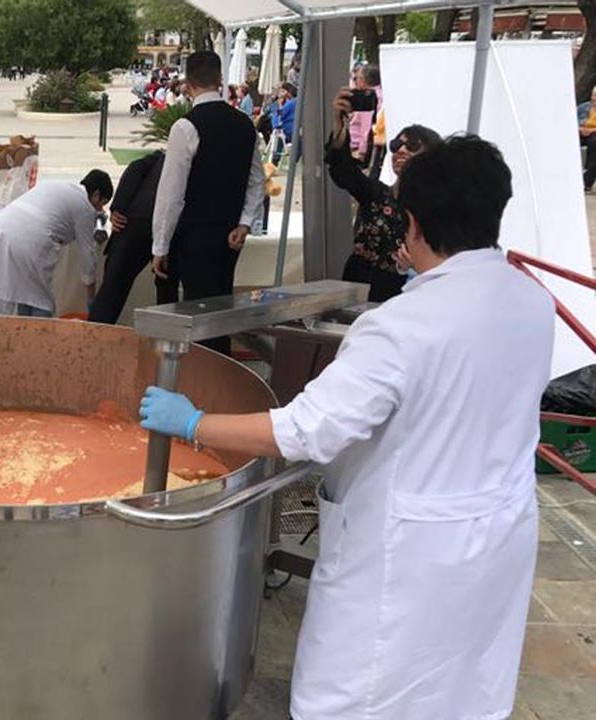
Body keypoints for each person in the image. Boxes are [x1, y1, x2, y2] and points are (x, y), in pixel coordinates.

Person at [140, 134, 552, 720]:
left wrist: (195, 422)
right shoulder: (530, 299)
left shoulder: (401, 326)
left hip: (407, 553)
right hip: (496, 533)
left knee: (357, 696)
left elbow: (305, 432)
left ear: (411, 224)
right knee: (462, 689)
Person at [152, 51, 265, 355]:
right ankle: (222, 373)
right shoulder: (246, 126)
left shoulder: (185, 127)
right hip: (230, 235)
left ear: (187, 84)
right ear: (219, 80)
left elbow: (171, 194)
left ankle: (203, 376)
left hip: (194, 235)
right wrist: (244, 222)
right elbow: (257, 180)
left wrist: (159, 247)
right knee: (220, 309)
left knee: (196, 311)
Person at [327, 87, 442, 302]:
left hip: (400, 293)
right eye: (397, 144)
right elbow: (342, 171)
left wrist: (414, 267)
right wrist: (340, 122)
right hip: (357, 284)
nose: (401, 150)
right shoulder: (377, 194)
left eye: (413, 146)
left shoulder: (436, 209)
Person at [0, 170, 113, 318]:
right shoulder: (85, 206)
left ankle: (25, 336)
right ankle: (40, 338)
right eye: (101, 204)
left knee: (26, 293)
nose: (100, 210)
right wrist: (91, 300)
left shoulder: (60, 187)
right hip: (29, 238)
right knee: (41, 302)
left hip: (2, 227)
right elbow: (88, 258)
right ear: (96, 195)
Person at [88, 151, 178, 324]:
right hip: (162, 225)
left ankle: (94, 335)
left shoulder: (161, 157)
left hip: (137, 221)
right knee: (167, 290)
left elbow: (136, 167)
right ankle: (168, 343)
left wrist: (119, 207)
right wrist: (118, 208)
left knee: (113, 287)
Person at [348, 65, 382, 161]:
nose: (355, 82)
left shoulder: (368, 98)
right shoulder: (379, 95)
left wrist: (361, 153)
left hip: (359, 150)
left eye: (356, 78)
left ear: (363, 80)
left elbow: (366, 128)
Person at [579, 86, 596, 191]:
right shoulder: (583, 107)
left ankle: (586, 182)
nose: (595, 99)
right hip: (580, 132)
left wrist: (592, 130)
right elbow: (571, 118)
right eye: (594, 96)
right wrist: (579, 128)